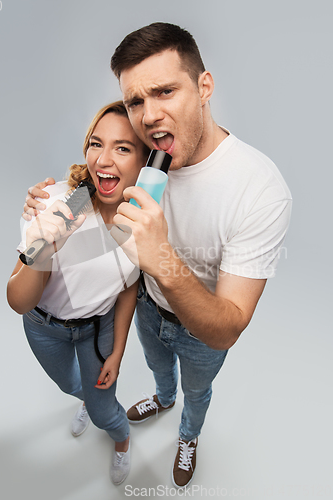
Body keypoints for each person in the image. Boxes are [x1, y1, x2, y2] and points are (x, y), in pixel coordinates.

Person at [24, 23, 292, 489]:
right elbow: (95, 214)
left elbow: (228, 327)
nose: (148, 116)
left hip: (202, 331)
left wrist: (162, 257)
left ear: (204, 86)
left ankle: (188, 435)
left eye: (165, 91)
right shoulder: (142, 159)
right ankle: (161, 399)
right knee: (159, 371)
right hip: (146, 308)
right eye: (135, 101)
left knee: (197, 389)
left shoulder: (259, 189)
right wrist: (43, 226)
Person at [7, 101, 150, 485]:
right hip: (43, 326)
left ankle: (121, 439)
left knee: (105, 411)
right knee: (71, 385)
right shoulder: (58, 203)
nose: (103, 159)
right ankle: (88, 398)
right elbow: (18, 300)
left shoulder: (140, 223)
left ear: (144, 160)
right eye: (95, 143)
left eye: (122, 148)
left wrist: (117, 351)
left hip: (96, 328)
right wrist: (41, 250)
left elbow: (127, 288)